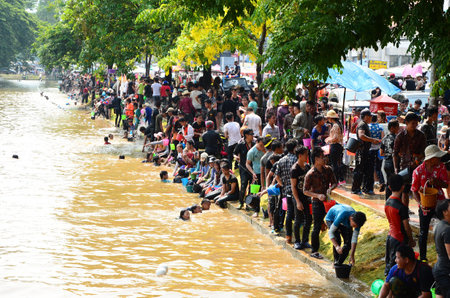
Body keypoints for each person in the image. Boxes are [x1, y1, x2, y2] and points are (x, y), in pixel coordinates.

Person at [411, 144, 448, 262]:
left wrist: (437, 181)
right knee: (423, 232)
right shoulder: (418, 171)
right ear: (431, 159)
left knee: (446, 227)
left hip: (440, 203)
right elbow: (414, 190)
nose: (439, 159)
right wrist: (420, 203)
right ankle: (423, 258)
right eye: (438, 157)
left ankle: (445, 253)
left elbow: (446, 184)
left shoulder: (441, 167)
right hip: (425, 205)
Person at [303, 147, 337, 259]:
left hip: (328, 201)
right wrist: (317, 195)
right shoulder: (310, 174)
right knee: (316, 226)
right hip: (317, 202)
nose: (325, 159)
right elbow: (305, 191)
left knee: (334, 224)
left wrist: (330, 189)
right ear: (316, 159)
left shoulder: (328, 170)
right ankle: (314, 251)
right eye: (323, 157)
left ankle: (336, 252)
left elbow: (334, 183)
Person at [393, 112, 426, 208]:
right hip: (404, 166)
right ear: (406, 123)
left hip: (418, 166)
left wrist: (417, 159)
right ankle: (405, 211)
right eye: (413, 123)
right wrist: (396, 168)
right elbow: (395, 153)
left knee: (420, 189)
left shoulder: (421, 135)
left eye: (416, 123)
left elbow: (424, 151)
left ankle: (422, 208)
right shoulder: (400, 136)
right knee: (405, 190)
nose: (415, 125)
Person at [384, 174, 416, 276]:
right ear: (403, 187)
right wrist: (411, 239)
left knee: (389, 261)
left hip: (390, 237)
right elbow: (406, 227)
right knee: (397, 263)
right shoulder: (401, 207)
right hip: (399, 238)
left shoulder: (387, 202)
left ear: (389, 187)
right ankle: (390, 284)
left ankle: (388, 281)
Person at [351, 109, 381, 195]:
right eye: (370, 116)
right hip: (361, 151)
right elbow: (361, 135)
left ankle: (366, 188)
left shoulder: (364, 124)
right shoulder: (362, 125)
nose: (371, 117)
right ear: (366, 117)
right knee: (359, 171)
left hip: (365, 151)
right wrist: (372, 140)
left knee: (367, 170)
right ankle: (355, 189)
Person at [274, 139, 298, 241]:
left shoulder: (281, 160)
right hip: (296, 190)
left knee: (288, 212)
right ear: (295, 148)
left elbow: (276, 175)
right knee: (297, 214)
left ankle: (288, 235)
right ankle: (297, 236)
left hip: (286, 190)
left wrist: (282, 184)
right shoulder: (297, 159)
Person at [290, 145, 312, 250]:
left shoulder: (307, 167)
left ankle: (305, 240)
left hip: (306, 196)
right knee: (298, 219)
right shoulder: (294, 169)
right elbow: (293, 186)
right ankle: (297, 241)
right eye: (305, 154)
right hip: (297, 197)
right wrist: (298, 201)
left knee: (308, 218)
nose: (307, 156)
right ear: (300, 156)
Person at [234, 129, 255, 209]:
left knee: (252, 186)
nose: (252, 135)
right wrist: (236, 157)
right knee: (243, 185)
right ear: (246, 135)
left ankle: (249, 203)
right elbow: (234, 153)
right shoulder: (241, 144)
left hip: (253, 169)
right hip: (243, 168)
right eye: (251, 134)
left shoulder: (254, 144)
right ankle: (241, 202)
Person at [433, 200, 450, 297]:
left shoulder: (439, 225)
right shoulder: (447, 230)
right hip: (445, 271)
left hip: (438, 268)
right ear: (445, 212)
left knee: (440, 294)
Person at [381, 119, 400, 200]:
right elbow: (398, 153)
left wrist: (388, 153)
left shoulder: (384, 138)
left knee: (388, 183)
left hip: (386, 162)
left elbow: (381, 153)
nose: (398, 129)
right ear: (392, 128)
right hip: (395, 163)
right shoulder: (397, 138)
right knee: (396, 184)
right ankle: (395, 201)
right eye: (397, 127)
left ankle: (387, 201)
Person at [325, 110, 344, 183]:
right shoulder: (337, 125)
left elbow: (335, 137)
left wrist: (328, 140)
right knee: (336, 163)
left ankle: (336, 179)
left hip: (335, 145)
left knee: (334, 163)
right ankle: (339, 179)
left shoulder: (336, 125)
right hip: (337, 145)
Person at [369, 113, 385, 192]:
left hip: (370, 149)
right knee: (379, 167)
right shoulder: (380, 127)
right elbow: (383, 139)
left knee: (371, 167)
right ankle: (382, 182)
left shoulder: (368, 127)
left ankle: (373, 182)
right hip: (379, 149)